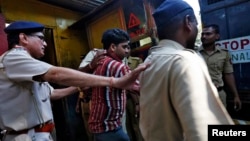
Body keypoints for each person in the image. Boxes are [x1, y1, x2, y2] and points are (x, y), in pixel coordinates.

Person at [0, 21, 149, 141]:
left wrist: (79, 87)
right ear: (23, 38)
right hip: (25, 136)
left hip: (40, 133)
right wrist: (114, 82)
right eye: (41, 38)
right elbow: (56, 73)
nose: (45, 44)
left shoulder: (28, 68)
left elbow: (53, 94)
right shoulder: (14, 57)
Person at [139, 1, 234, 141]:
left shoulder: (149, 61)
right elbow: (204, 133)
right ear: (188, 22)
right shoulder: (185, 61)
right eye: (196, 24)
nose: (198, 32)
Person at [88, 28, 138, 141]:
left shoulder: (100, 62)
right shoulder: (118, 66)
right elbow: (139, 87)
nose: (127, 51)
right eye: (124, 47)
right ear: (113, 47)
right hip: (109, 127)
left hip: (99, 126)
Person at [198, 24, 242, 110]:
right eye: (202, 34)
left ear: (217, 36)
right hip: (200, 96)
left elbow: (228, 74)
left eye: (208, 34)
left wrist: (236, 96)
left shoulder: (224, 53)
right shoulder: (193, 53)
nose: (204, 36)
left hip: (219, 95)